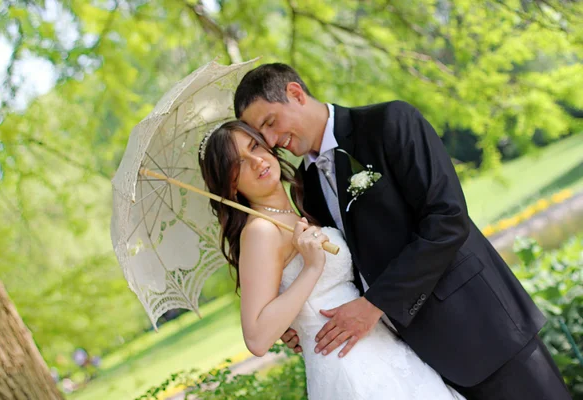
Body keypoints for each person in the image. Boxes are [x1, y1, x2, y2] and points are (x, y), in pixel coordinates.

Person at [232, 63, 571, 400]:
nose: (273, 141)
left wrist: (375, 304)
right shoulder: (307, 186)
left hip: (483, 331)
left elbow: (447, 218)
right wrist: (296, 319)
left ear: (295, 93)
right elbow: (345, 266)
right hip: (409, 363)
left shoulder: (388, 123)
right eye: (264, 136)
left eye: (270, 123)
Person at [198, 120, 464, 399]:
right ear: (230, 185)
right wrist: (312, 269)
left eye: (255, 146)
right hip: (348, 367)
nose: (256, 161)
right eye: (239, 163)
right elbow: (256, 337)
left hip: (381, 347)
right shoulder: (261, 231)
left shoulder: (300, 205)